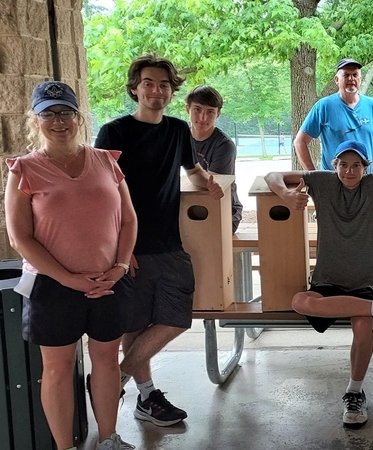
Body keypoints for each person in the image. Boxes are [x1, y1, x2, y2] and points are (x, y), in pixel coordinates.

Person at [265, 140, 373, 429]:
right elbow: (272, 176)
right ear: (334, 165)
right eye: (343, 164)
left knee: (362, 326)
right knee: (300, 301)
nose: (349, 170)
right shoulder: (320, 181)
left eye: (356, 165)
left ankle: (354, 393)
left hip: (364, 280)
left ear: (365, 167)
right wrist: (285, 195)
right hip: (326, 280)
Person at [5, 81, 137, 450]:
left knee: (108, 362)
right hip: (52, 286)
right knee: (58, 369)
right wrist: (69, 279)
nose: (58, 121)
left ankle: (109, 438)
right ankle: (65, 447)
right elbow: (20, 238)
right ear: (35, 120)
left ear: (79, 117)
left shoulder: (106, 161)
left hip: (109, 280)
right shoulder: (24, 170)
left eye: (65, 112)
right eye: (48, 113)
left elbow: (129, 220)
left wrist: (121, 266)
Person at [95, 54, 225, 426]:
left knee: (176, 318)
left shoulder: (177, 130)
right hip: (127, 248)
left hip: (169, 242)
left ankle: (112, 378)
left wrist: (208, 185)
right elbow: (102, 193)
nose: (157, 91)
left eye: (164, 85)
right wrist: (122, 250)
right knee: (134, 325)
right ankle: (148, 396)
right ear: (135, 88)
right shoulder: (113, 133)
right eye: (149, 83)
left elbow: (194, 171)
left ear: (172, 91)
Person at [294, 58, 373, 173]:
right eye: (346, 75)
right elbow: (300, 142)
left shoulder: (372, 106)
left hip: (366, 181)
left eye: (355, 75)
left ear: (360, 79)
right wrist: (313, 176)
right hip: (333, 182)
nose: (351, 79)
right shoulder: (324, 106)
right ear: (337, 80)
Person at [186, 85, 243, 233]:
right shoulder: (180, 137)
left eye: (210, 112)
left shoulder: (224, 145)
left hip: (225, 209)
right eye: (197, 109)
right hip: (192, 205)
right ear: (188, 109)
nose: (203, 118)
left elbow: (212, 184)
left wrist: (191, 175)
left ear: (218, 114)